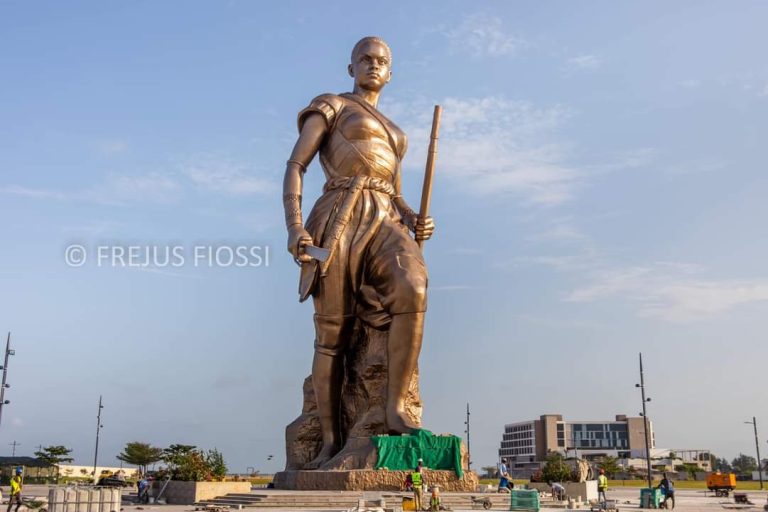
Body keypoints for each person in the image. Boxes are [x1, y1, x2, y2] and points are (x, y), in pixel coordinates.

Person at [282, 36, 435, 469]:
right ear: (351, 67)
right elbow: (296, 165)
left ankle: (395, 408)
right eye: (364, 58)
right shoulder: (331, 105)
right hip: (340, 214)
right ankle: (330, 441)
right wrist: (295, 226)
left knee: (413, 288)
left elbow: (398, 194)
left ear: (390, 72)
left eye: (381, 60)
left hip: (385, 217)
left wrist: (415, 217)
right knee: (333, 334)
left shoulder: (397, 134)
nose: (373, 65)